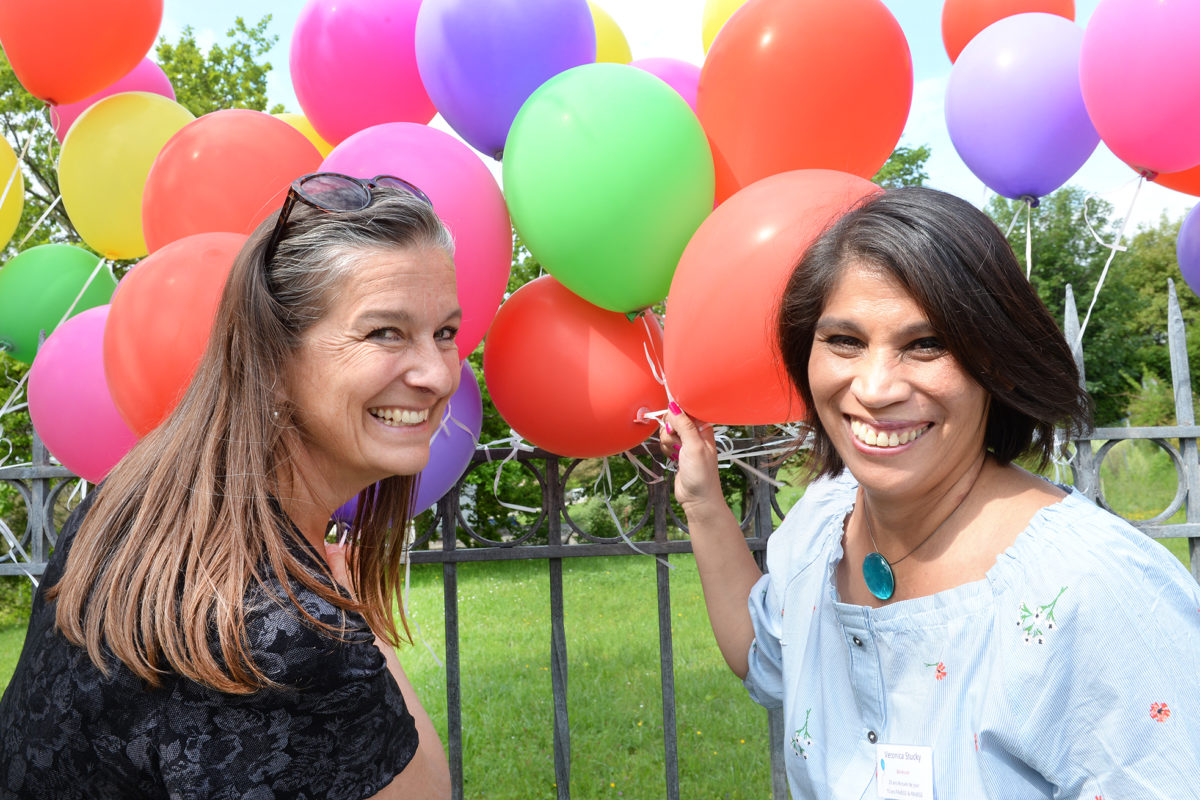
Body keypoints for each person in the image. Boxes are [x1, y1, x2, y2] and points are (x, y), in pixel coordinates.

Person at [660, 186, 1200, 799]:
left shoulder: (1093, 592)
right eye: (845, 341)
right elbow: (763, 654)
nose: (876, 387)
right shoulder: (820, 524)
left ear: (994, 361)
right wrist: (703, 500)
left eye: (927, 345)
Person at [0, 174, 460, 799]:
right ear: (273, 357)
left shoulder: (136, 502)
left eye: (446, 333)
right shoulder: (280, 632)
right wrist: (350, 608)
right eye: (385, 332)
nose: (437, 374)